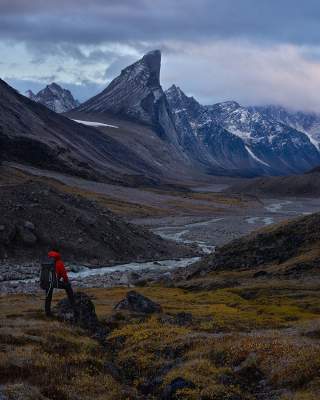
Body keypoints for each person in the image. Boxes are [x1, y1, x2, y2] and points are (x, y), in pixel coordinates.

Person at [45, 249, 77, 318]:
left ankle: (47, 312)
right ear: (58, 253)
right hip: (54, 281)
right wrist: (67, 282)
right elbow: (64, 275)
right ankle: (73, 306)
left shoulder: (47, 259)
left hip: (46, 281)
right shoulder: (59, 262)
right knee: (68, 287)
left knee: (48, 296)